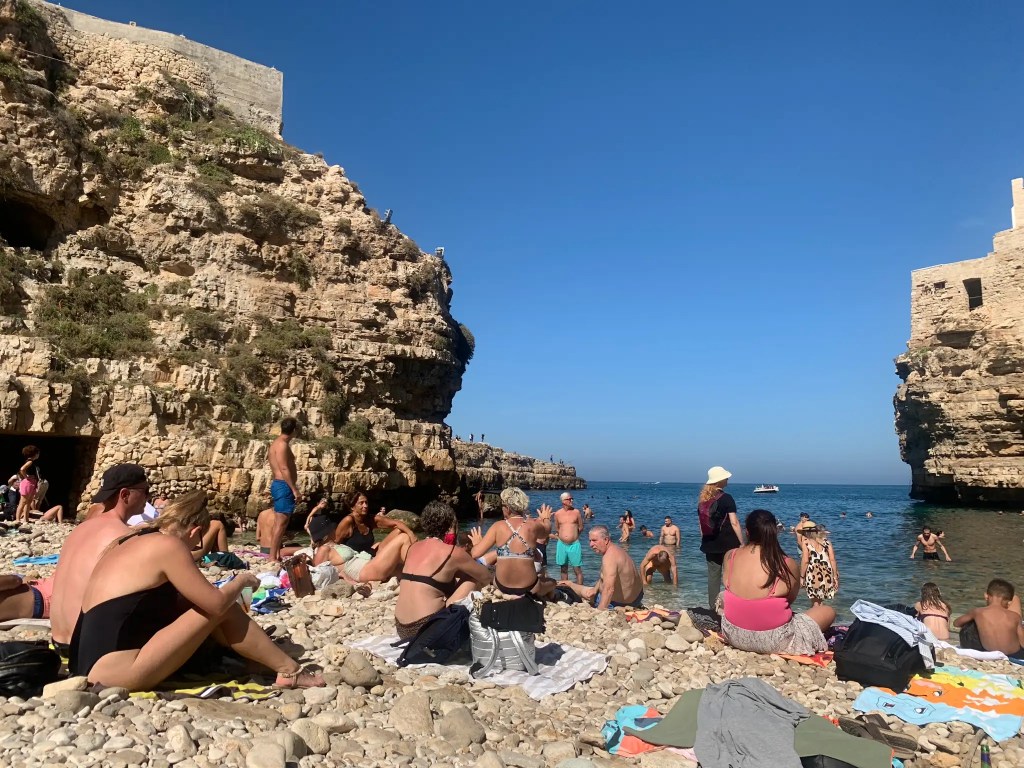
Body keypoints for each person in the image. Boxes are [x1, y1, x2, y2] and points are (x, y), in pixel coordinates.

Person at [70, 490, 324, 690]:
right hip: (119, 671)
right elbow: (215, 605)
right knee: (221, 608)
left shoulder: (131, 538)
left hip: (85, 663)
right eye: (198, 543)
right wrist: (241, 582)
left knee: (201, 607)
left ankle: (255, 662)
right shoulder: (168, 546)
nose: (195, 549)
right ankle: (289, 670)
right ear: (195, 531)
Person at [50, 464, 150, 650]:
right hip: (84, 647)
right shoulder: (122, 536)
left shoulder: (79, 530)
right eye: (145, 491)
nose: (147, 498)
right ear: (125, 495)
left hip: (58, 641)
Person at [719, 509, 834, 655]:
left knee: (724, 596)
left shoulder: (730, 555)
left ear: (746, 532)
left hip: (733, 633)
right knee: (828, 611)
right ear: (775, 531)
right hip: (774, 640)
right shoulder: (786, 563)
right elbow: (790, 598)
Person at [394, 501, 491, 639]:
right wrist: (477, 549)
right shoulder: (452, 551)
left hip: (402, 629)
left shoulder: (413, 548)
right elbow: (486, 577)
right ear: (449, 525)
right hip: (426, 629)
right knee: (473, 578)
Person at [470, 487, 555, 598]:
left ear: (508, 508)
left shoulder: (498, 526)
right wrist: (546, 518)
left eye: (502, 506)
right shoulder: (532, 525)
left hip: (501, 586)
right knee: (553, 582)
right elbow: (546, 531)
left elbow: (475, 554)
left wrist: (477, 543)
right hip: (530, 588)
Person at [311, 514, 414, 584]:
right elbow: (318, 573)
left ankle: (419, 568)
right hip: (363, 571)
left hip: (368, 564)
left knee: (403, 569)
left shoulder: (334, 545)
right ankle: (417, 567)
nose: (335, 529)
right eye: (332, 529)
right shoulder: (323, 549)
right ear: (326, 534)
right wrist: (343, 576)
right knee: (403, 538)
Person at [558, 525, 643, 609]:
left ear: (606, 540)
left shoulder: (609, 558)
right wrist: (595, 589)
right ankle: (569, 584)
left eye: (594, 540)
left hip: (620, 603)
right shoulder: (618, 550)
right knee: (592, 590)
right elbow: (607, 576)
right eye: (590, 541)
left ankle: (567, 584)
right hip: (636, 599)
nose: (591, 544)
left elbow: (609, 589)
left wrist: (600, 611)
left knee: (583, 591)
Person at [697, 466, 744, 612]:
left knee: (713, 577)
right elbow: (734, 522)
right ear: (720, 481)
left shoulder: (703, 500)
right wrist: (742, 543)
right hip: (728, 544)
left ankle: (713, 608)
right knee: (731, 575)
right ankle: (733, 607)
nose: (728, 479)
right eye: (726, 477)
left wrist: (706, 540)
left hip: (709, 543)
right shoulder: (727, 498)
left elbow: (701, 525)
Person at [258, 418, 302, 561]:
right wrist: (294, 489)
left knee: (281, 522)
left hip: (280, 485)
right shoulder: (282, 445)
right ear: (294, 430)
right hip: (283, 485)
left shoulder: (276, 443)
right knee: (281, 522)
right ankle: (272, 556)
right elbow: (283, 468)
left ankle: (275, 554)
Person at [953, 579, 1024, 658]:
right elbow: (1022, 643)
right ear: (1009, 602)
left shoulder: (978, 612)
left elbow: (956, 623)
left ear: (986, 596)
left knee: (970, 624)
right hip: (1016, 655)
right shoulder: (1015, 616)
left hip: (989, 652)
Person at [332, 490, 415, 554]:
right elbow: (335, 545)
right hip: (354, 560)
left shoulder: (370, 519)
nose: (365, 505)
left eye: (366, 502)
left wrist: (411, 534)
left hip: (369, 556)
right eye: (361, 503)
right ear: (352, 507)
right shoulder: (348, 521)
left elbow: (397, 523)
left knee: (399, 531)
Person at [798, 524, 838, 606]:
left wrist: (802, 577)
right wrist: (835, 576)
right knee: (821, 599)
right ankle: (822, 616)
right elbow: (832, 559)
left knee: (815, 601)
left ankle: (816, 617)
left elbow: (805, 561)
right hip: (827, 571)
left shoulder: (805, 543)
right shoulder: (827, 542)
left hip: (813, 572)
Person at [553, 492, 584, 584]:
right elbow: (557, 528)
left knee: (577, 569)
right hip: (561, 544)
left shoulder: (576, 512)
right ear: (563, 501)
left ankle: (579, 591)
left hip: (574, 544)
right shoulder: (557, 514)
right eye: (569, 499)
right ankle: (565, 590)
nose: (572, 500)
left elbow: (581, 527)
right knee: (563, 568)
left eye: (572, 499)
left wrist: (573, 537)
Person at [15, 445, 41, 524]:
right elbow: (22, 469)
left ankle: (26, 519)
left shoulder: (31, 462)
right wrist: (26, 476)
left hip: (32, 483)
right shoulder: (30, 462)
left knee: (29, 502)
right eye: (38, 453)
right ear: (35, 454)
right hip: (28, 483)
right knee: (23, 502)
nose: (38, 455)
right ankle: (17, 519)